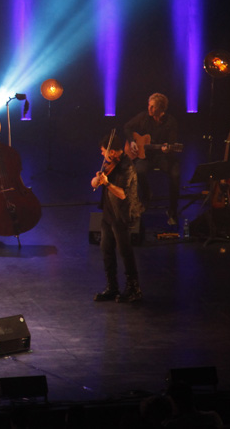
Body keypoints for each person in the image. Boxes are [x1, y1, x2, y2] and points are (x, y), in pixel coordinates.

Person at [91, 132, 143, 303]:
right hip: (108, 214)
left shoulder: (127, 167)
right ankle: (112, 287)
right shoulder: (109, 164)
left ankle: (134, 288)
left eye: (103, 151)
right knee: (106, 250)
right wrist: (97, 180)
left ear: (112, 152)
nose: (102, 155)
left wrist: (107, 183)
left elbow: (122, 194)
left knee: (125, 251)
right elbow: (94, 183)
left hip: (122, 214)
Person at [124, 92, 181, 225]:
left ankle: (172, 210)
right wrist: (132, 141)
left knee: (175, 175)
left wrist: (167, 148)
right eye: (149, 106)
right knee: (138, 171)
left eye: (153, 107)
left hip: (163, 157)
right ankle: (146, 193)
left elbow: (171, 142)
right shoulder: (143, 117)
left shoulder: (171, 122)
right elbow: (127, 127)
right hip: (146, 156)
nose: (149, 109)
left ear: (161, 108)